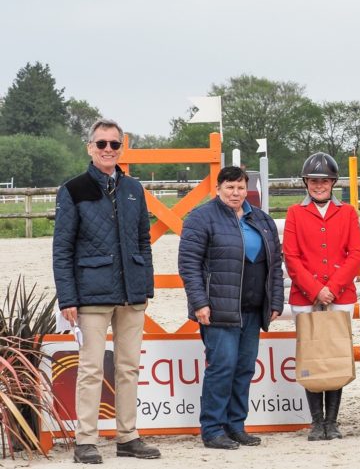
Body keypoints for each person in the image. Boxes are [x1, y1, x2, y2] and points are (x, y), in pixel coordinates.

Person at [53, 119, 162, 463]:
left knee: (129, 367)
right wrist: (68, 298)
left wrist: (146, 286)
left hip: (132, 294)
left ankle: (127, 436)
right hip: (91, 295)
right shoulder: (73, 190)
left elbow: (144, 240)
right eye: (102, 144)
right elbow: (62, 249)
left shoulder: (134, 189)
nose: (108, 150)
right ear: (90, 147)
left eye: (114, 144)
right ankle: (86, 439)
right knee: (91, 368)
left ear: (121, 148)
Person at [179, 166, 284, 450]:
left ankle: (236, 426)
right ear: (218, 189)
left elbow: (275, 265)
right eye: (229, 187)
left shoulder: (261, 219)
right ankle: (212, 429)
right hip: (218, 308)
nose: (235, 192)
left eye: (240, 187)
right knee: (222, 367)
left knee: (244, 368)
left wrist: (275, 300)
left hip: (253, 307)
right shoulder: (201, 218)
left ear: (246, 188)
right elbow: (189, 265)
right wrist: (199, 302)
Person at [283, 152, 360, 441]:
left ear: (333, 183)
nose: (319, 185)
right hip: (305, 295)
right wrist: (316, 290)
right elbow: (291, 257)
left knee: (336, 351)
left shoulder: (348, 212)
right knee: (312, 354)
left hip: (339, 294)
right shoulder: (294, 213)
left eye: (324, 181)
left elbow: (356, 254)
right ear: (307, 182)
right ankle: (317, 422)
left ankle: (333, 420)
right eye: (314, 181)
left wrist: (334, 288)